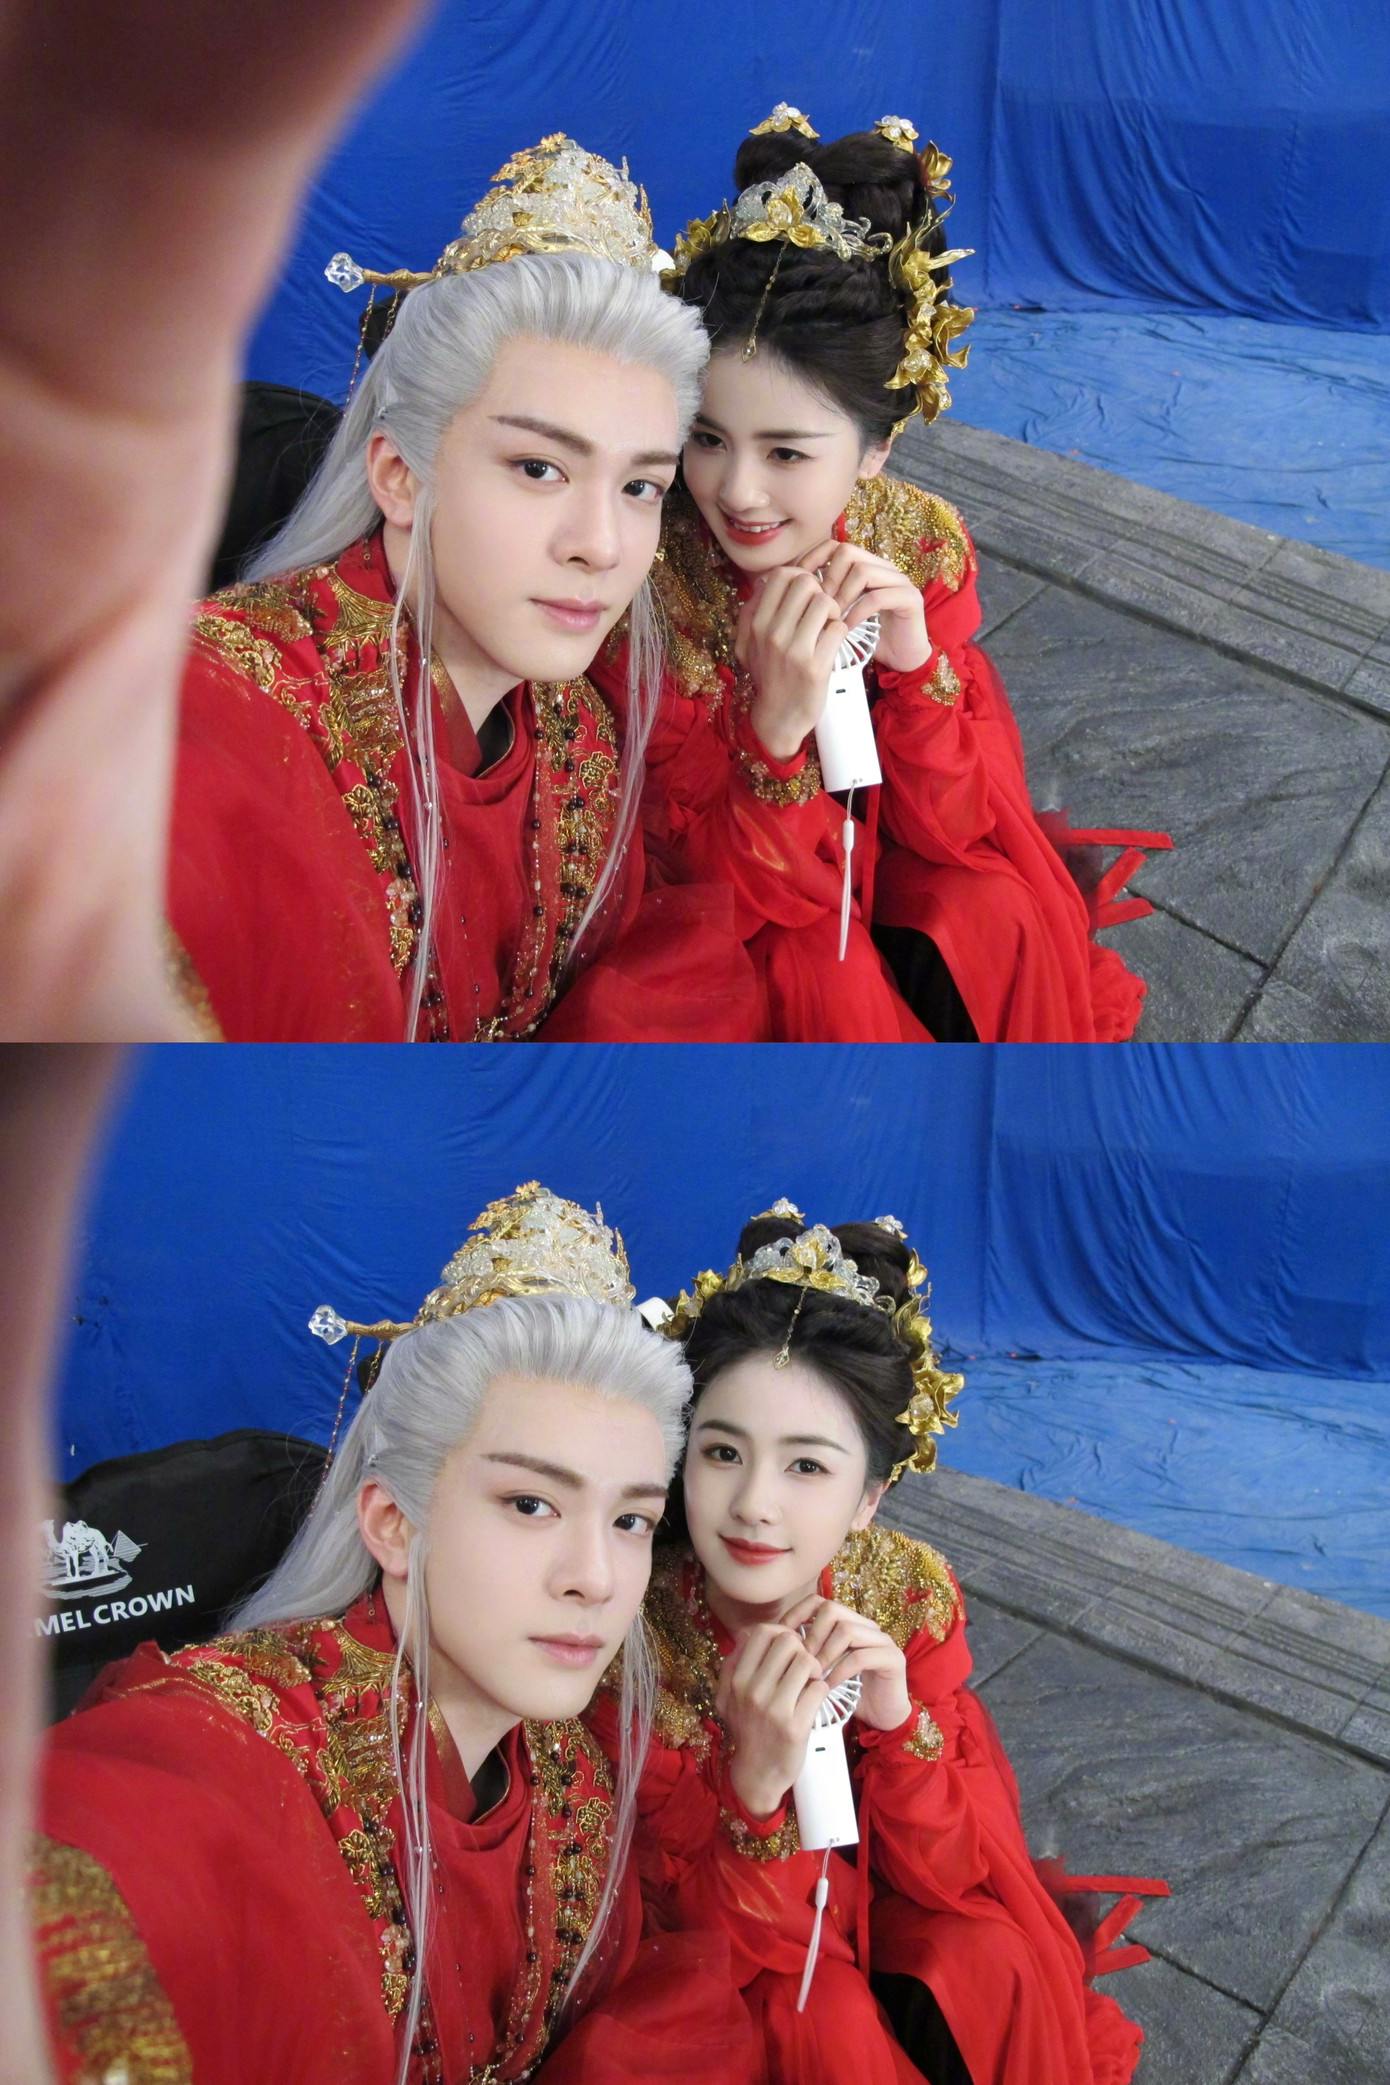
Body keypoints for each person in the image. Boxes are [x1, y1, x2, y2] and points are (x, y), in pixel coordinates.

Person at [30, 1183, 758, 2084]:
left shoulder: (570, 1775)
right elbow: (119, 1849)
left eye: (630, 1520)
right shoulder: (236, 1745)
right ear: (392, 1522)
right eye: (531, 1503)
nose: (597, 1577)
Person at [584, 107, 1169, 1042]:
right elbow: (692, 885)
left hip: (884, 843)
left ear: (874, 450)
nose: (736, 491)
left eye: (786, 452)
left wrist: (916, 671)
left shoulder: (919, 542)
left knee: (994, 913)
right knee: (816, 976)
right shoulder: (655, 582)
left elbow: (956, 824)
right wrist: (773, 737)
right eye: (707, 438)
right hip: (749, 889)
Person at [169, 135, 760, 1042]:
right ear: (399, 475)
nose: (601, 546)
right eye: (538, 467)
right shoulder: (214, 710)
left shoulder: (579, 742)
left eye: (641, 486)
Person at [588, 1203, 1165, 2084]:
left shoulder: (905, 1592)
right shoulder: (640, 1636)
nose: (754, 1505)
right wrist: (752, 1788)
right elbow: (675, 1934)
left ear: (869, 1498)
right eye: (723, 1453)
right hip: (738, 1933)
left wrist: (899, 1728)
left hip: (882, 1881)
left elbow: (956, 1867)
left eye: (807, 1465)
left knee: (989, 1959)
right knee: (817, 2022)